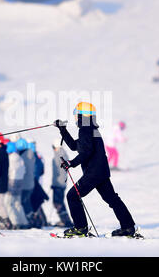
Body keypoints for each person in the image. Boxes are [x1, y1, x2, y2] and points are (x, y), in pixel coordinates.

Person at [54, 102, 139, 238]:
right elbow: (76, 146)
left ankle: (80, 228)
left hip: (93, 173)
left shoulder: (85, 129)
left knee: (72, 196)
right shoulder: (91, 129)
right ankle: (128, 227)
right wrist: (63, 130)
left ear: (81, 115)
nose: (75, 118)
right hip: (101, 172)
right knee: (112, 199)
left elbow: (86, 151)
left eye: (76, 115)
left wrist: (71, 163)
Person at [5, 141, 29, 229]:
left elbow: (8, 171)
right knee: (17, 203)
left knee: (8, 203)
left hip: (12, 182)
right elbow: (24, 170)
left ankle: (15, 222)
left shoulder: (10, 159)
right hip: (20, 182)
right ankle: (24, 222)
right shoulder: (20, 158)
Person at [27, 138, 49, 228]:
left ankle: (40, 221)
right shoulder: (38, 155)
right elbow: (42, 170)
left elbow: (36, 170)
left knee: (35, 203)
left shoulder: (32, 155)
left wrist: (33, 179)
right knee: (37, 203)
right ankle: (43, 221)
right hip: (37, 182)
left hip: (34, 183)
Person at [51, 139, 73, 228]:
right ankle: (65, 220)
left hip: (59, 183)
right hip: (61, 182)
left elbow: (59, 171)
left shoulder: (59, 155)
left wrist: (56, 182)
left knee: (57, 202)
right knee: (59, 202)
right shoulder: (62, 154)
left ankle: (66, 221)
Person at [16, 138, 36, 227]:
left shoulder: (22, 157)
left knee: (24, 203)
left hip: (24, 184)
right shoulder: (31, 155)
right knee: (27, 202)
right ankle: (33, 219)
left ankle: (30, 221)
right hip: (30, 183)